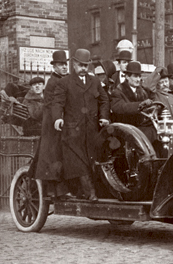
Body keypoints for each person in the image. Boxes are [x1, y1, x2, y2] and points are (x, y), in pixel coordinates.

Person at [52, 48, 110, 201]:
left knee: (92, 161)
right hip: (72, 132)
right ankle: (90, 193)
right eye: (80, 65)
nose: (84, 69)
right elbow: (57, 102)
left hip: (91, 130)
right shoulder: (64, 82)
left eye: (86, 65)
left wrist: (104, 117)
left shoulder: (95, 81)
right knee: (79, 162)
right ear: (74, 64)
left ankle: (89, 192)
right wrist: (57, 118)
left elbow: (104, 100)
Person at [33, 50, 71, 198]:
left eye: (65, 64)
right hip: (52, 125)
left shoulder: (64, 79)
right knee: (54, 156)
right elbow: (52, 105)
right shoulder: (52, 82)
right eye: (60, 65)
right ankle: (54, 191)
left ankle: (62, 190)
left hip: (61, 121)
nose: (64, 67)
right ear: (54, 67)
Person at [110, 61, 155, 141]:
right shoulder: (118, 92)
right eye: (135, 76)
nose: (138, 79)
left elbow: (154, 99)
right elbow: (120, 108)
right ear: (127, 76)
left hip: (141, 129)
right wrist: (140, 105)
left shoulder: (144, 91)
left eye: (139, 76)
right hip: (126, 131)